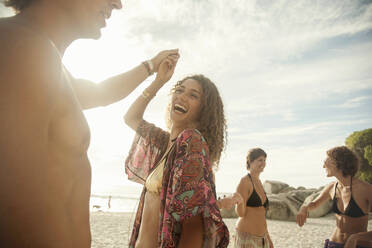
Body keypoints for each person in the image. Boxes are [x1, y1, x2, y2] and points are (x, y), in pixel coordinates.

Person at [0, 0, 179, 247]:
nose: (117, 4)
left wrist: (152, 66)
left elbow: (100, 93)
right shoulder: (21, 47)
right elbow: (12, 208)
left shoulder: (40, 54)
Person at [124, 58, 240, 247]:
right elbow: (131, 118)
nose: (181, 97)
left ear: (205, 109)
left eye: (193, 95)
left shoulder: (191, 142)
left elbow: (194, 225)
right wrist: (159, 81)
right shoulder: (165, 143)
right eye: (179, 90)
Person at [296, 146, 372, 248]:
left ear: (337, 162)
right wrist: (304, 208)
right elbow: (314, 204)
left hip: (359, 245)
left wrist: (356, 237)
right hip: (334, 244)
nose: (323, 166)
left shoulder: (366, 189)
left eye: (325, 161)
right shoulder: (332, 187)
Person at [233, 148, 274, 248]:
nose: (263, 163)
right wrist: (240, 203)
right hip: (247, 238)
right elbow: (240, 213)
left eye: (264, 160)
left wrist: (268, 239)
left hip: (262, 238)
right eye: (260, 160)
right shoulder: (245, 182)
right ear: (250, 162)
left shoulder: (259, 182)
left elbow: (261, 214)